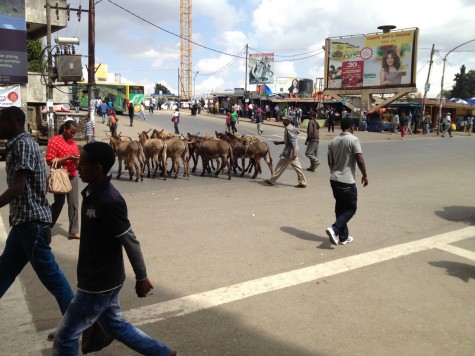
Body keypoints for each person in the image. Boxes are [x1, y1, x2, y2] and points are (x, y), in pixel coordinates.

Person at [52, 141, 176, 356]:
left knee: (65, 338)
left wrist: (141, 276)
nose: (78, 168)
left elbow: (130, 240)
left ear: (98, 168)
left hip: (99, 284)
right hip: (102, 280)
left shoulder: (109, 200)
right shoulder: (92, 192)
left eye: (82, 164)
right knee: (114, 326)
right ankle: (164, 353)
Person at [0, 106, 74, 324]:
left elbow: (18, 186)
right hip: (24, 222)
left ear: (13, 122)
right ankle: (80, 323)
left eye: (0, 121)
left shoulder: (22, 144)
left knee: (52, 276)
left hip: (31, 222)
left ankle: (79, 323)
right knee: (4, 271)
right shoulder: (22, 144)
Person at [326, 117, 368, 246]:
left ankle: (343, 237)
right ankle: (334, 229)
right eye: (354, 126)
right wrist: (365, 175)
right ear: (351, 127)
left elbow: (330, 161)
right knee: (351, 208)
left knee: (340, 208)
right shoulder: (353, 139)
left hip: (334, 179)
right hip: (347, 181)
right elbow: (359, 158)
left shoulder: (333, 141)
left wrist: (334, 172)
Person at [45, 119, 80, 240]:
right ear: (65, 128)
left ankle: (74, 231)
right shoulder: (54, 141)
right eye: (71, 132)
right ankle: (45, 225)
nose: (73, 135)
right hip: (60, 176)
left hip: (72, 175)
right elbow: (50, 160)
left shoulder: (73, 143)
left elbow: (76, 162)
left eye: (75, 133)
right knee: (59, 203)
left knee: (74, 204)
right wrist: (68, 158)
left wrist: (76, 160)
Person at [265, 115, 307, 188]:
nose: (283, 122)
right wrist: (279, 142)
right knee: (293, 167)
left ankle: (272, 180)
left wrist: (294, 153)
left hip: (290, 152)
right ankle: (302, 182)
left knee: (281, 167)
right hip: (290, 151)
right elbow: (289, 141)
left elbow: (293, 142)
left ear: (288, 121)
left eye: (284, 120)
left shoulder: (289, 129)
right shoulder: (290, 128)